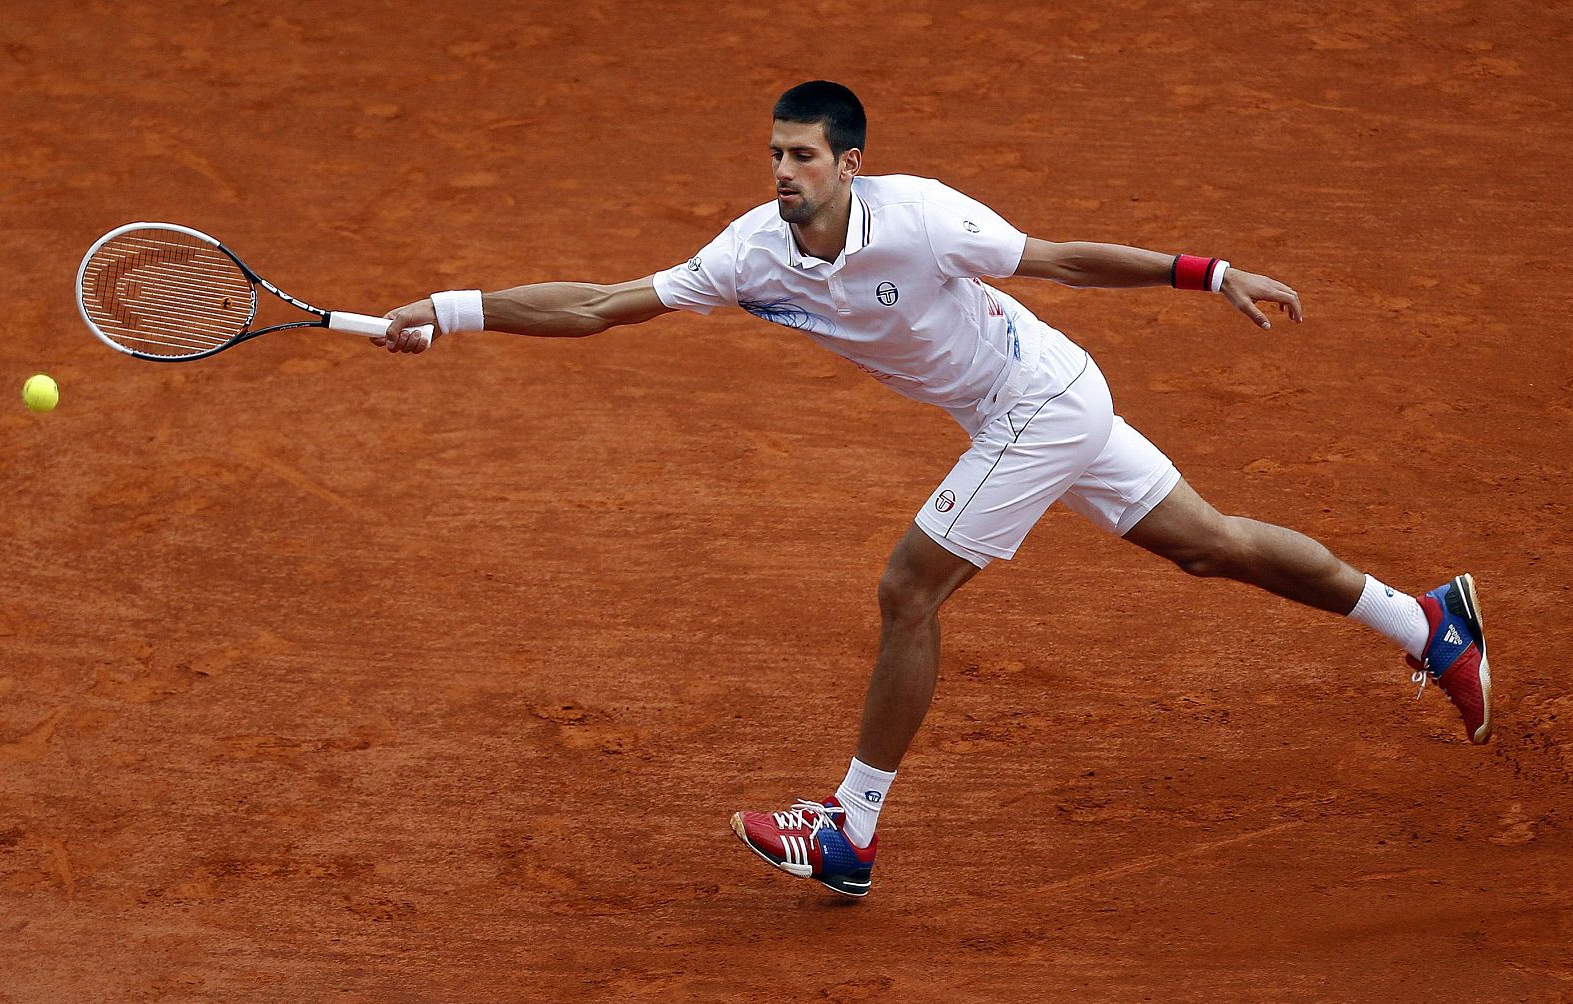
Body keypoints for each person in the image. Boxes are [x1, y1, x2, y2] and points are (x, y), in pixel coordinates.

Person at [377, 81, 1492, 899]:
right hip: (1028, 406)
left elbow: (1053, 259)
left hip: (1040, 404)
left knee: (909, 587)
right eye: (774, 153)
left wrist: (1201, 273)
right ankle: (1423, 619)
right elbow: (598, 304)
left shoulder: (923, 216)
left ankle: (849, 829)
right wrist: (452, 306)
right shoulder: (749, 252)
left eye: (804, 156)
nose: (782, 172)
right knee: (1209, 542)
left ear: (850, 164)